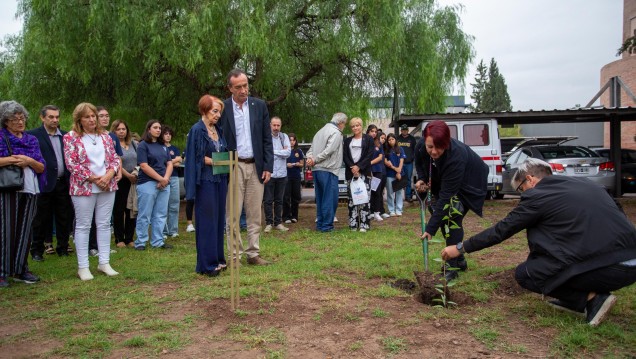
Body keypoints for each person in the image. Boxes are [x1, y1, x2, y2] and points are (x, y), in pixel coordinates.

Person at [441, 158, 636, 327]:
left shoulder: (538, 196)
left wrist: (460, 247)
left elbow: (502, 230)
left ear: (530, 180)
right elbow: (617, 213)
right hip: (631, 263)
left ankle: (592, 299)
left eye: (520, 189)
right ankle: (580, 297)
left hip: (610, 269)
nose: (522, 195)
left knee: (526, 274)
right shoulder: (587, 184)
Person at [415, 120, 488, 282]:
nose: (433, 151)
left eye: (438, 147)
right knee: (444, 219)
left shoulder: (456, 157)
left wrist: (430, 228)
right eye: (430, 147)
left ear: (446, 143)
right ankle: (459, 259)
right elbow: (419, 161)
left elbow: (446, 197)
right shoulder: (422, 145)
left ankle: (452, 265)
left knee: (452, 217)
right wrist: (421, 178)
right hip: (445, 181)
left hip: (470, 182)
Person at [219, 69, 273, 266]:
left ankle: (253, 254)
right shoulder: (223, 108)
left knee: (254, 213)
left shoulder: (259, 106)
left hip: (256, 165)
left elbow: (267, 139)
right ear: (230, 88)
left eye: (246, 85)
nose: (243, 90)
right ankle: (234, 256)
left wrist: (268, 166)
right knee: (232, 213)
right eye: (239, 87)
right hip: (234, 165)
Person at [63, 102, 121, 281]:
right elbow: (72, 164)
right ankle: (83, 267)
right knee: (83, 225)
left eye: (93, 116)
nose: (91, 119)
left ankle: (104, 262)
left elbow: (114, 159)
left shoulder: (105, 136)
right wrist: (97, 179)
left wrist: (109, 175)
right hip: (84, 186)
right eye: (87, 117)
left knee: (104, 224)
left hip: (107, 185)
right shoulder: (70, 137)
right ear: (79, 119)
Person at [0, 101, 46, 288]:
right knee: (6, 230)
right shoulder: (2, 138)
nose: (20, 122)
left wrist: (28, 160)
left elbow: (41, 166)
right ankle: (2, 271)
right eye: (14, 119)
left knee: (25, 230)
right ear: (5, 121)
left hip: (30, 187)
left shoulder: (31, 140)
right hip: (9, 188)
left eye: (22, 118)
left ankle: (20, 268)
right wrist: (13, 159)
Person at [185, 94, 229, 277]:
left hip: (220, 179)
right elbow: (195, 157)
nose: (218, 115)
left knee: (219, 219)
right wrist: (215, 162)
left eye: (219, 112)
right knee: (207, 221)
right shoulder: (197, 130)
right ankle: (207, 264)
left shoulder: (218, 129)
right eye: (215, 111)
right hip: (205, 180)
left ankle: (218, 258)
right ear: (204, 110)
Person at [28, 105, 74, 260]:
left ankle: (63, 247)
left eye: (57, 117)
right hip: (43, 182)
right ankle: (36, 250)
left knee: (64, 217)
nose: (55, 120)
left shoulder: (66, 136)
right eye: (51, 117)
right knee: (40, 218)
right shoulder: (34, 135)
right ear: (42, 118)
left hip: (63, 182)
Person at [88, 106, 123, 256]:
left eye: (107, 115)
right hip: (92, 181)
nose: (104, 118)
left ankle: (104, 248)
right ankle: (92, 246)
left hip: (110, 179)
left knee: (105, 218)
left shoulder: (111, 137)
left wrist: (117, 172)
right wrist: (98, 178)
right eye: (101, 115)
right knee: (90, 217)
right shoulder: (84, 137)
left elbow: (117, 157)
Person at [134, 120, 173, 251]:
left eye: (159, 128)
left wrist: (166, 179)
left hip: (164, 184)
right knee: (145, 214)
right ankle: (141, 241)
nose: (158, 130)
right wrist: (160, 179)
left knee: (161, 213)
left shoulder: (163, 146)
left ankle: (157, 241)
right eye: (155, 127)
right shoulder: (143, 145)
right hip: (147, 183)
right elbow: (144, 166)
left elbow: (169, 163)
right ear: (148, 129)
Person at [306, 113, 346, 232]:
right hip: (328, 169)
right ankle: (327, 226)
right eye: (344, 124)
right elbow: (329, 150)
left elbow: (311, 149)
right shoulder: (336, 132)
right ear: (341, 123)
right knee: (330, 198)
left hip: (317, 170)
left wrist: (310, 159)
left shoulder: (319, 132)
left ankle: (320, 224)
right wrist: (315, 159)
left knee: (320, 198)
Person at [343, 117, 374, 232]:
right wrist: (352, 167)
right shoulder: (347, 141)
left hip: (364, 172)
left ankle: (364, 224)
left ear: (361, 126)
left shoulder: (369, 139)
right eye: (353, 126)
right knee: (352, 200)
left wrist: (359, 166)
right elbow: (345, 156)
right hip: (351, 173)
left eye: (357, 125)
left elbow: (369, 155)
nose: (355, 128)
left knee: (364, 199)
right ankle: (353, 224)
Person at [111, 119, 137, 248]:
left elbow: (139, 159)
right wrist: (127, 175)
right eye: (118, 129)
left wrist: (135, 173)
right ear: (114, 131)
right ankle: (119, 238)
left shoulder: (133, 144)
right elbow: (115, 162)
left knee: (131, 209)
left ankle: (129, 238)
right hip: (120, 180)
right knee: (119, 210)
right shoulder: (112, 143)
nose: (121, 132)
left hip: (134, 181)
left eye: (123, 129)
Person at [264, 116, 291, 233]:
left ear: (281, 126)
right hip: (269, 173)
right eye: (274, 125)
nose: (276, 128)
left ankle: (278, 223)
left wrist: (272, 152)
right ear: (270, 125)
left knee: (279, 200)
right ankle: (269, 223)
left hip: (282, 174)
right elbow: (264, 153)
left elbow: (288, 153)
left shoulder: (284, 136)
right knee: (268, 200)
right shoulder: (265, 137)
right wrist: (281, 152)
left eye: (278, 125)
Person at [162, 126, 182, 239]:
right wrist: (175, 160)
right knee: (163, 204)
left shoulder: (174, 148)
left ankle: (173, 230)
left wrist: (170, 162)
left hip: (174, 177)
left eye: (169, 134)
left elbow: (178, 164)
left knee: (174, 203)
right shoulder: (159, 147)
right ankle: (164, 231)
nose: (168, 135)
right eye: (166, 134)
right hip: (163, 177)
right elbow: (162, 162)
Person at [283, 133, 304, 224]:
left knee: (296, 197)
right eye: (290, 140)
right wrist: (286, 164)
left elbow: (302, 164)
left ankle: (294, 216)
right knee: (286, 196)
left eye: (293, 140)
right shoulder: (284, 150)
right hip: (286, 176)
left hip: (296, 176)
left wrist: (297, 164)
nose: (291, 142)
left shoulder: (298, 151)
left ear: (295, 141)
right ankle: (286, 216)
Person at [384, 133, 405, 217]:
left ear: (395, 140)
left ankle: (399, 209)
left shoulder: (400, 149)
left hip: (399, 173)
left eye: (392, 139)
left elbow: (401, 160)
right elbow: (386, 162)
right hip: (390, 174)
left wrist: (399, 171)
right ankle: (391, 210)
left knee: (399, 192)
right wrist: (394, 168)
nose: (391, 141)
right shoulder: (386, 150)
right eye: (389, 140)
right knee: (390, 192)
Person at [366, 125, 384, 222]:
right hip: (367, 171)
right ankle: (370, 212)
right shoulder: (364, 141)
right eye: (372, 131)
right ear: (368, 131)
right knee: (368, 192)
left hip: (377, 170)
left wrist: (370, 163)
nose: (374, 133)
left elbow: (380, 157)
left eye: (375, 131)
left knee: (376, 191)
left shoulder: (378, 144)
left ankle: (377, 212)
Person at [397, 124, 417, 202]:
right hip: (399, 163)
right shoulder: (398, 138)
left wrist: (412, 158)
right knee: (399, 178)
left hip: (409, 163)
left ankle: (408, 196)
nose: (404, 131)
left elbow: (415, 150)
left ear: (408, 130)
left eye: (405, 130)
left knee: (408, 179)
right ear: (401, 130)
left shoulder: (412, 139)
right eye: (403, 130)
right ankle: (398, 197)